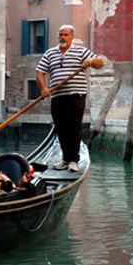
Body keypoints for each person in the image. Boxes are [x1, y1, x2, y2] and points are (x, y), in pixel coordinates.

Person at [36, 24, 104, 172]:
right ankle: (66, 159)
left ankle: (74, 160)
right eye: (61, 34)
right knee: (61, 127)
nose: (62, 37)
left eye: (66, 35)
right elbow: (40, 71)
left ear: (71, 37)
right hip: (58, 96)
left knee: (74, 126)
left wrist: (91, 62)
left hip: (76, 95)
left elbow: (100, 63)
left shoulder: (81, 51)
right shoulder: (50, 53)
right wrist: (43, 89)